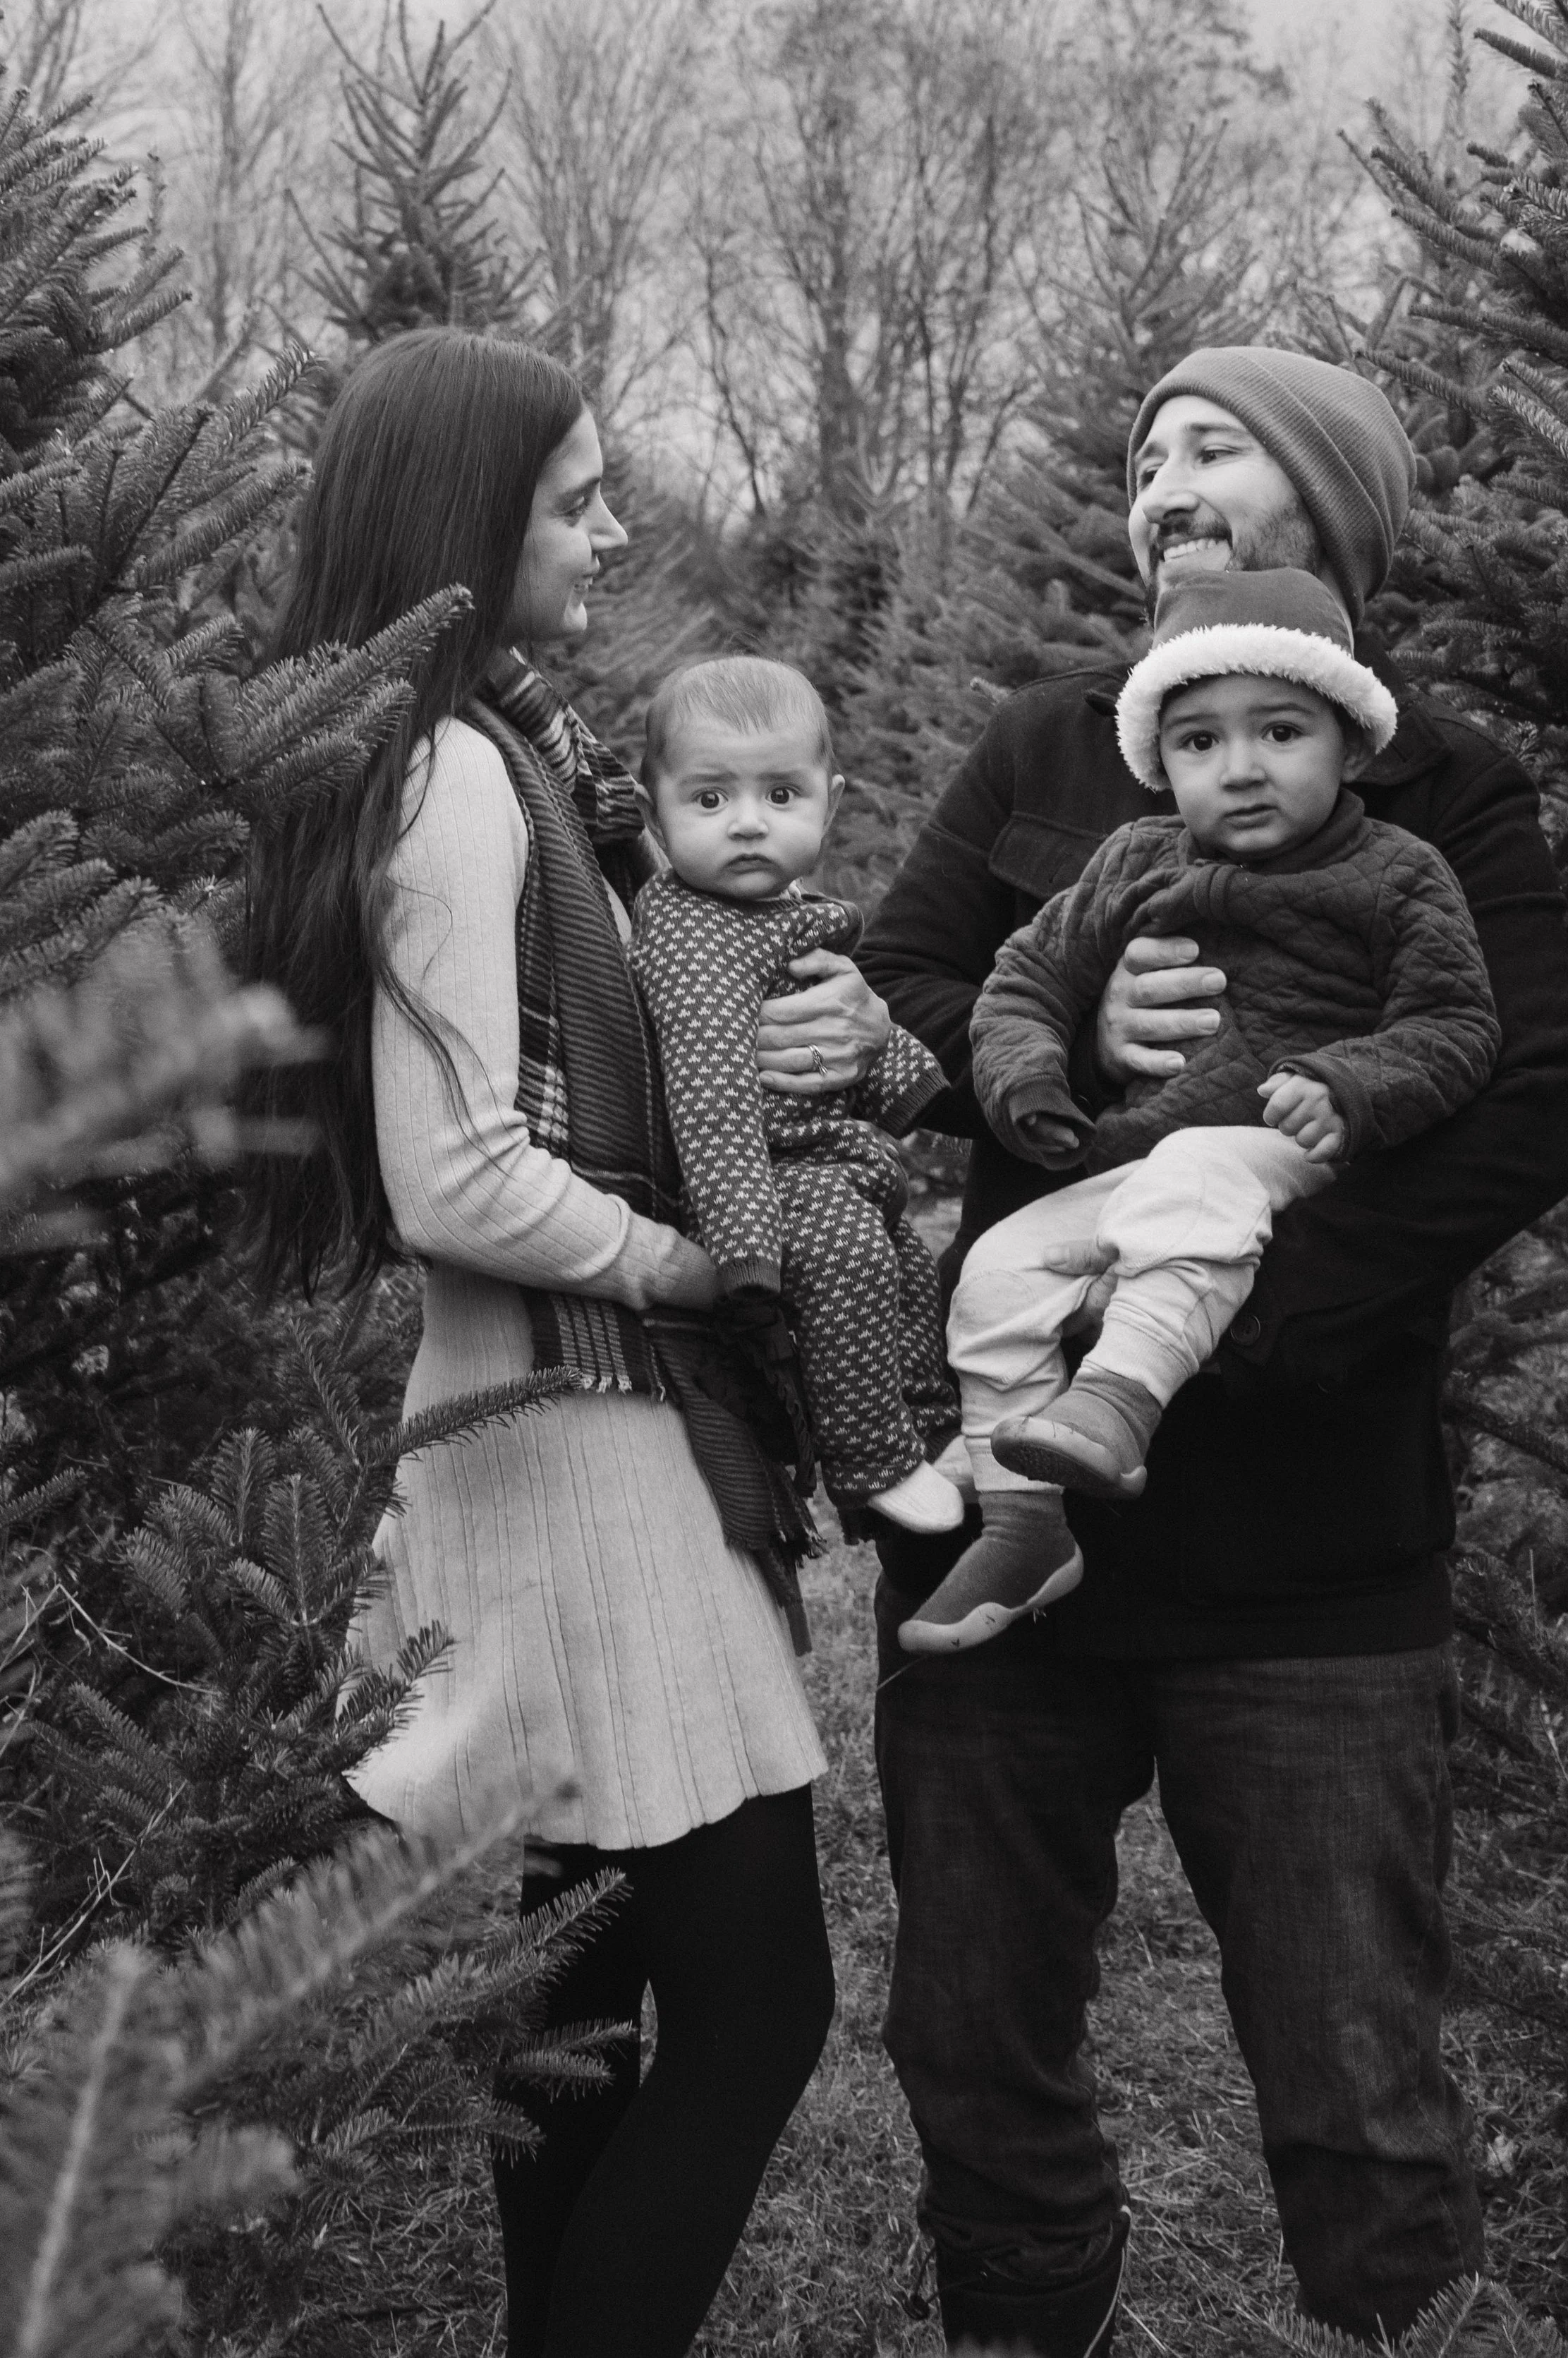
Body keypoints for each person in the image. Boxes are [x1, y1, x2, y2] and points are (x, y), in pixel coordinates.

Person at [858, 345, 1568, 2350]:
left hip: (1308, 1549)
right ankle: (1024, 2325)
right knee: (972, 2040)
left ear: (1335, 511)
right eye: (1144, 457)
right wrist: (1067, 1058)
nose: (1161, 483)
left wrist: (1231, 1331)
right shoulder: (1043, 750)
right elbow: (910, 984)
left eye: (1216, 448)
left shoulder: (1434, 789)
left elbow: (1522, 1094)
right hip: (1006, 1519)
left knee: (1354, 2078)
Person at [243, 328, 886, 2358]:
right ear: (465, 516)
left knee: (578, 1995)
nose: (609, 526)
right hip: (584, 1423)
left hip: (537, 1418)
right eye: (574, 493)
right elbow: (455, 1179)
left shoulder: (494, 756)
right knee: (757, 1998)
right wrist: (701, 1268)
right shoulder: (452, 776)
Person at [901, 567, 1501, 1652]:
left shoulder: (1399, 874)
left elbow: (1458, 1025)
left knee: (1202, 1176)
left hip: (1294, 1145)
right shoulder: (1135, 858)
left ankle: (1118, 1403)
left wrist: (1355, 1085)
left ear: (1352, 742)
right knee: (997, 1265)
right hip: (1153, 1156)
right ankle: (1025, 1522)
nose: (1242, 768)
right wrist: (1031, 1076)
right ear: (1159, 760)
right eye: (1200, 742)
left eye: (1280, 730)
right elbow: (1022, 983)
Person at [629, 655, 964, 1535]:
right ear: (653, 804)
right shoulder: (696, 938)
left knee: (908, 1270)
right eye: (710, 800)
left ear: (831, 798)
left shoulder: (780, 909)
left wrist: (905, 1071)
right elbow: (710, 1103)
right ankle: (871, 1462)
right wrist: (747, 1254)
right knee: (852, 1255)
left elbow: (845, 1019)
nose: (747, 824)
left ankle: (929, 1433)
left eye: (781, 797)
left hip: (829, 1162)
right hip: (767, 1185)